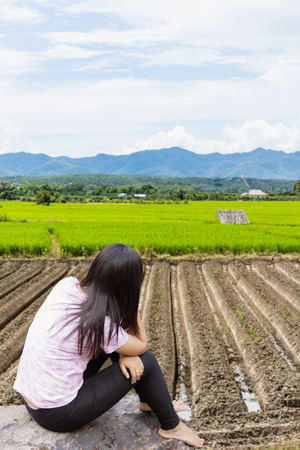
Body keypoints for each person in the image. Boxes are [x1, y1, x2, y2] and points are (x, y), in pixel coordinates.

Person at [14, 243, 203, 448]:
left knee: (124, 348)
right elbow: (140, 344)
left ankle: (149, 401)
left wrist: (122, 351)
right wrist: (130, 303)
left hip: (33, 398)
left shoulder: (67, 285)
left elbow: (117, 335)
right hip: (57, 413)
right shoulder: (99, 324)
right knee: (145, 360)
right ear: (127, 286)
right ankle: (171, 426)